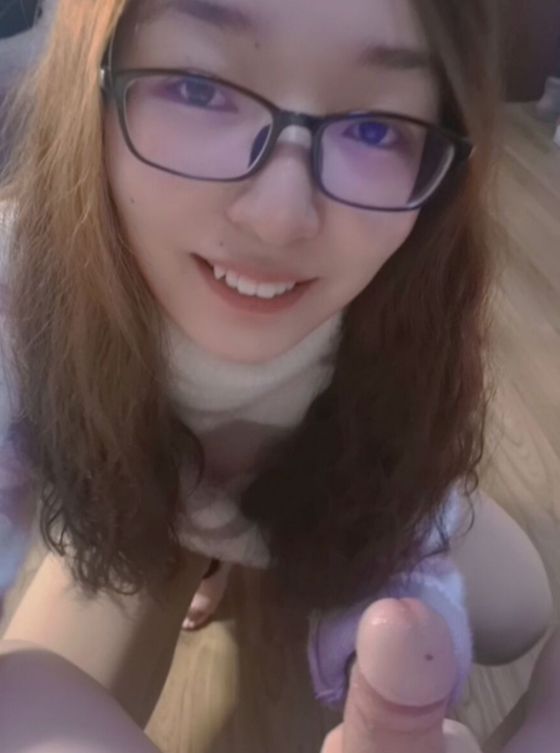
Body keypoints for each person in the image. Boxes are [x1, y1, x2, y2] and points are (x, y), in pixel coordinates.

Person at [0, 0, 554, 751]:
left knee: (519, 607)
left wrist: (385, 641)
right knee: (28, 702)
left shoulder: (408, 291)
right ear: (91, 77)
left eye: (375, 127)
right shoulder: (26, 286)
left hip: (328, 498)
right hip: (146, 509)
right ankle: (196, 556)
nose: (279, 217)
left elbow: (402, 482)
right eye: (198, 87)